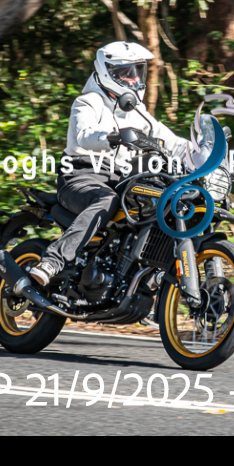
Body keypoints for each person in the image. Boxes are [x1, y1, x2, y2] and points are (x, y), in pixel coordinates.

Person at [28, 41, 190, 286]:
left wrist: (206, 154)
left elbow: (174, 143)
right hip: (81, 175)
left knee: (160, 201)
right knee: (106, 200)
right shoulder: (88, 102)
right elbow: (84, 135)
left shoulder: (138, 112)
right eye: (127, 73)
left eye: (138, 72)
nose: (135, 79)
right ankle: (53, 260)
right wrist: (114, 137)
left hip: (120, 178)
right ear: (107, 72)